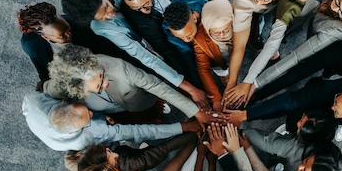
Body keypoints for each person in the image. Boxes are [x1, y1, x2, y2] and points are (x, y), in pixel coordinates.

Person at [61, 0, 211, 110]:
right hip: (143, 46)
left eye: (107, 7)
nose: (110, 15)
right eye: (102, 17)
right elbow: (145, 57)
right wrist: (191, 89)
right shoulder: (102, 28)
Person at [222, 0, 342, 108]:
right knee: (282, 29)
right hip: (291, 14)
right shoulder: (288, 4)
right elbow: (270, 44)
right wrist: (246, 81)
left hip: (318, 5)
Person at [43, 46, 216, 125]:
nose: (106, 82)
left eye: (102, 76)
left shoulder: (118, 68)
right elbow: (46, 92)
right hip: (109, 114)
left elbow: (156, 86)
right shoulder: (60, 86)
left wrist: (195, 112)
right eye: (98, 86)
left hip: (137, 103)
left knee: (148, 110)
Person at [223, 0, 303, 108]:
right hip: (244, 6)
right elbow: (239, 47)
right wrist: (231, 84)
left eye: (265, 0)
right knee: (247, 31)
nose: (258, 3)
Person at [21, 91, 200, 152]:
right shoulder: (93, 133)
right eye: (88, 118)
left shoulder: (33, 101)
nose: (92, 113)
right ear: (73, 132)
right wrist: (183, 127)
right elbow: (139, 132)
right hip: (98, 138)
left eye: (86, 111)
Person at [224, 77, 342, 138]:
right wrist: (247, 114)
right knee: (295, 117)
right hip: (316, 101)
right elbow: (289, 100)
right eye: (337, 99)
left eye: (336, 108)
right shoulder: (328, 92)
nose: (332, 104)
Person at [16, 2, 126, 85]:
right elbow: (43, 71)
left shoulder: (78, 24)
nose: (69, 34)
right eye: (63, 35)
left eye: (67, 29)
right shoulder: (31, 43)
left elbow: (107, 51)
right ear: (45, 37)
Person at [164, 0, 233, 111]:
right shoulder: (198, 40)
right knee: (222, 69)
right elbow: (202, 67)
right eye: (181, 37)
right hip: (217, 59)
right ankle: (224, 74)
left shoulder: (206, 7)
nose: (187, 40)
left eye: (190, 34)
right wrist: (216, 99)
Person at [63, 132, 195, 171]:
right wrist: (194, 132)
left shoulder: (91, 170)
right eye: (113, 159)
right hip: (142, 160)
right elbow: (165, 148)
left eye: (108, 151)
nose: (115, 155)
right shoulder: (135, 164)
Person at [159, 0, 224, 87]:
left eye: (189, 35)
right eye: (181, 37)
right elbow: (189, 62)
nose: (185, 40)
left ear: (194, 17)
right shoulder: (169, 31)